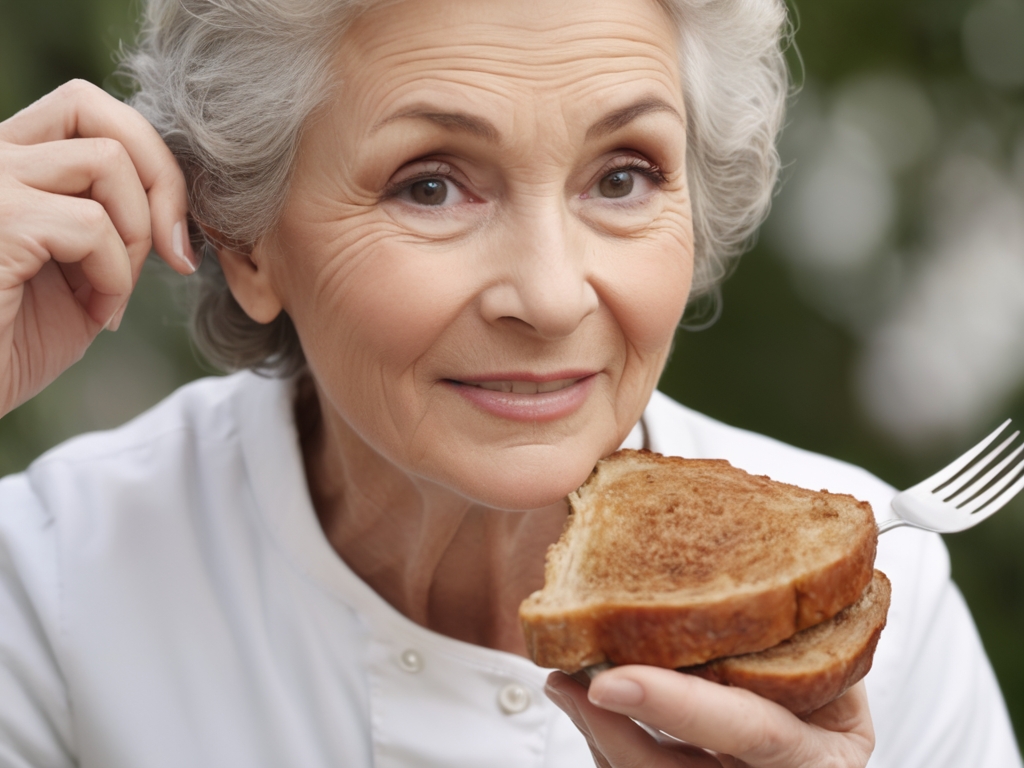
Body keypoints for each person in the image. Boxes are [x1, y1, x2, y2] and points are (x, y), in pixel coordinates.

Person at [0, 0, 1019, 765]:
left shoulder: (887, 619)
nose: (546, 294)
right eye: (430, 183)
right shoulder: (50, 584)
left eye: (622, 176)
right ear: (247, 241)